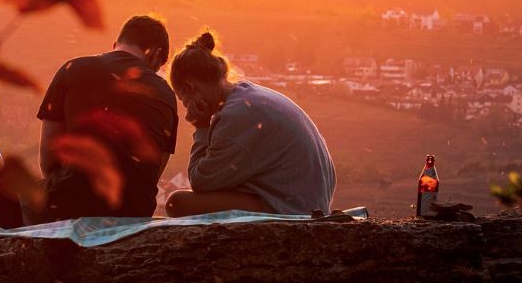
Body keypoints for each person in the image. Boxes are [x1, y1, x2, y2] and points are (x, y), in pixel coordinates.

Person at [166, 30, 336, 217]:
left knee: (177, 204)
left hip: (293, 210)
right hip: (306, 201)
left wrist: (201, 126)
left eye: (184, 100)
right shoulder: (249, 95)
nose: (187, 108)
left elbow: (201, 182)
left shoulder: (237, 115)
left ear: (190, 88)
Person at [36, 14, 178, 221]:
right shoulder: (166, 94)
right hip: (134, 212)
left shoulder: (72, 69)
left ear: (116, 45)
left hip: (71, 205)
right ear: (156, 55)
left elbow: (48, 159)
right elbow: (152, 171)